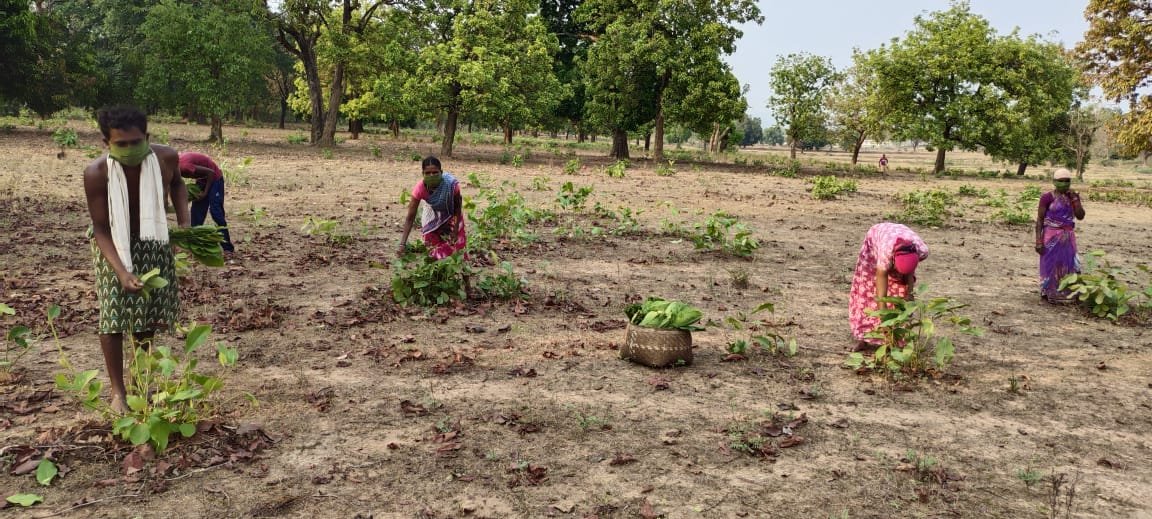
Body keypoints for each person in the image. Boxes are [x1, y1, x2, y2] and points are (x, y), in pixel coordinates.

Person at [83, 106, 189, 413]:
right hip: (113, 244)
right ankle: (118, 391)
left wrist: (184, 227)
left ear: (147, 137)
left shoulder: (167, 157)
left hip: (153, 238)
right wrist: (120, 271)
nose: (130, 150)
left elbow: (179, 185)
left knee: (147, 311)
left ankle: (141, 377)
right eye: (121, 144)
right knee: (114, 314)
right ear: (106, 143)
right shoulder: (96, 173)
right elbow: (101, 229)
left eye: (136, 142)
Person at [848, 222, 929, 350]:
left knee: (901, 294)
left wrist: (909, 294)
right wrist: (884, 318)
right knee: (868, 290)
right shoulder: (885, 254)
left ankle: (898, 340)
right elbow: (881, 294)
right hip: (877, 238)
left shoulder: (922, 250)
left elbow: (909, 273)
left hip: (899, 246)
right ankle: (864, 338)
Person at [397, 156, 467, 259]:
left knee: (457, 248)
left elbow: (457, 206)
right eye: (428, 173)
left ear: (441, 172)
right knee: (431, 248)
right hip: (432, 211)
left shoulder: (451, 184)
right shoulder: (419, 189)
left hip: (452, 213)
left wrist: (456, 229)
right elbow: (410, 217)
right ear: (423, 174)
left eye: (435, 172)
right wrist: (402, 244)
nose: (431, 175)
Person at [1036, 168, 1085, 303]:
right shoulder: (1047, 197)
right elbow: (1040, 220)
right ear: (1054, 182)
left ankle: (1068, 292)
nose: (1064, 184)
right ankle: (1049, 292)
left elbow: (1080, 216)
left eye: (1067, 181)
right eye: (1061, 181)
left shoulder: (1073, 197)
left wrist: (1075, 199)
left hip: (1068, 236)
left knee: (1069, 264)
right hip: (1050, 235)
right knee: (1050, 264)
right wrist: (1038, 241)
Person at [178, 151, 235, 254]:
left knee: (216, 213)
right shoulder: (172, 169)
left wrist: (204, 193)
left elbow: (210, 173)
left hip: (215, 179)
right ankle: (196, 246)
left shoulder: (184, 166)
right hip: (202, 180)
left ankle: (228, 248)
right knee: (196, 215)